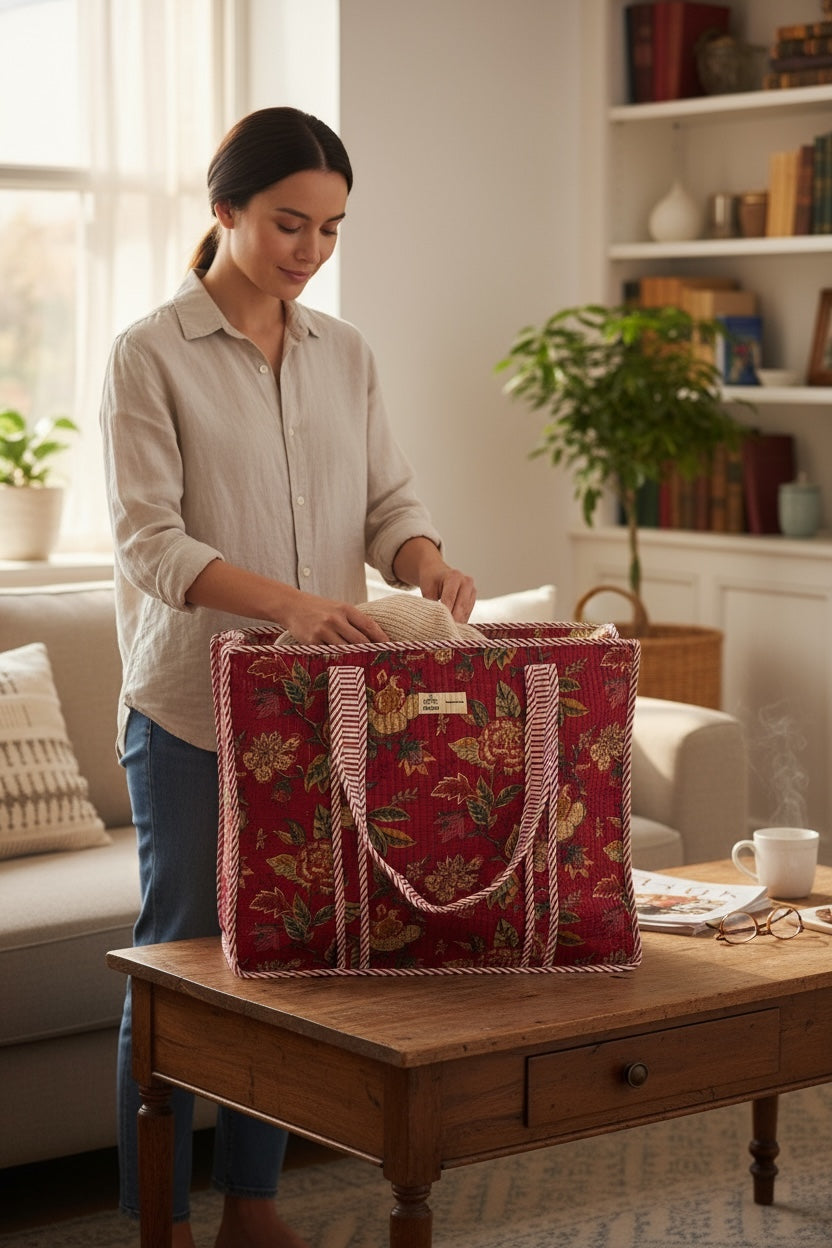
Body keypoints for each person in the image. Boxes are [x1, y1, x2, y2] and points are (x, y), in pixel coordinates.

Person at [100, 106, 476, 1248]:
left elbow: (388, 505)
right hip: (191, 710)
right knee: (177, 964)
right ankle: (152, 1216)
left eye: (330, 229)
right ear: (225, 211)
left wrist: (423, 559)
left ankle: (252, 1203)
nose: (309, 252)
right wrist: (292, 607)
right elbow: (150, 544)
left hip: (323, 715)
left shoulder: (344, 353)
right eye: (287, 224)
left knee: (293, 957)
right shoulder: (147, 351)